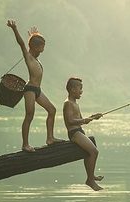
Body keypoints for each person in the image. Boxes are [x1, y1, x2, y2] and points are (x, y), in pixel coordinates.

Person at [7, 19, 63, 152]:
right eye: (42, 45)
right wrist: (14, 28)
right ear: (36, 47)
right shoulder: (29, 57)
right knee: (29, 115)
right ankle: (25, 144)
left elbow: (31, 44)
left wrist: (33, 36)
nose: (44, 47)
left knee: (52, 110)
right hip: (30, 90)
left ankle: (50, 138)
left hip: (37, 90)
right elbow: (21, 44)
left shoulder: (36, 56)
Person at [63, 77, 104, 191]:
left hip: (79, 131)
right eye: (80, 88)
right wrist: (84, 120)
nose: (81, 91)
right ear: (72, 89)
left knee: (88, 153)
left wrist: (92, 117)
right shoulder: (68, 103)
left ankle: (91, 176)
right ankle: (90, 180)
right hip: (74, 133)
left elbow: (80, 119)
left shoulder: (75, 103)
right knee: (94, 151)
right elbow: (70, 121)